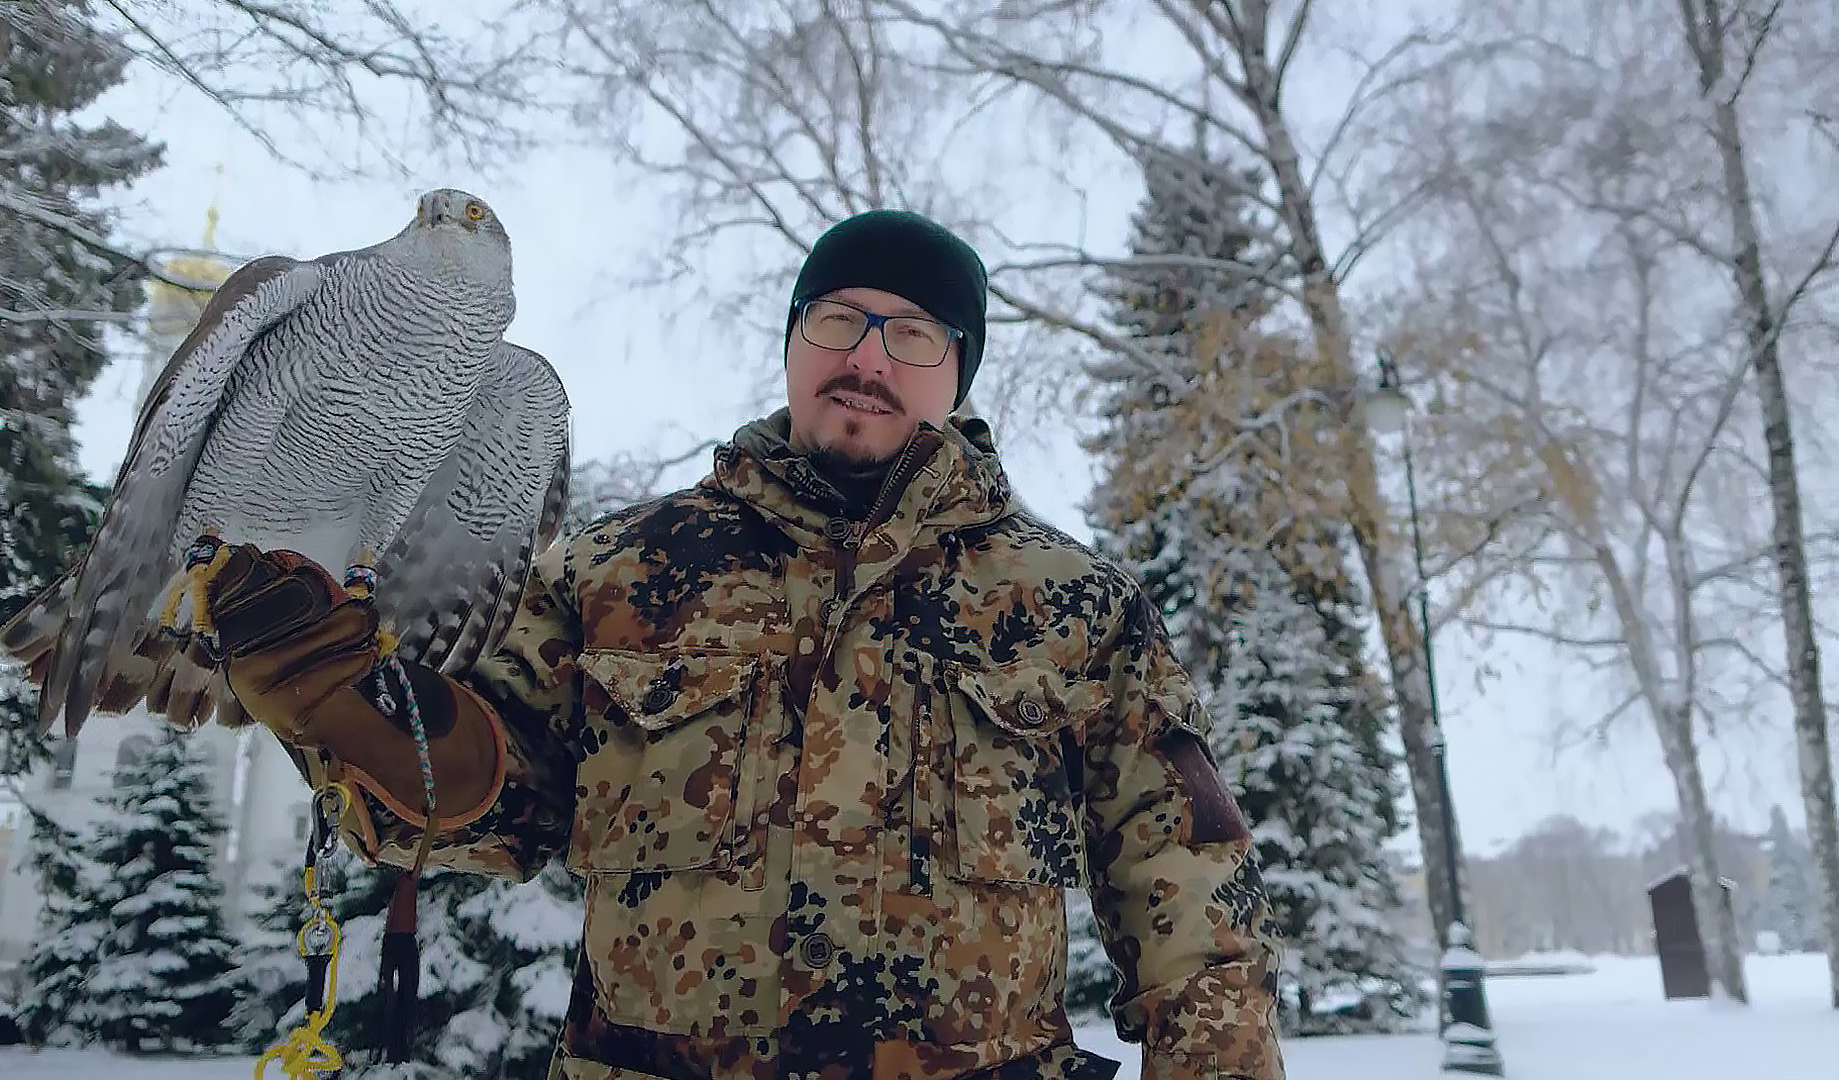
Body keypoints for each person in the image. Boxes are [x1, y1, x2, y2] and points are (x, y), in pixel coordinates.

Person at [201, 209, 1285, 1080]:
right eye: (837, 321)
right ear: (792, 343)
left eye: (912, 333)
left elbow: (1188, 895)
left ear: (958, 378)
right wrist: (345, 709)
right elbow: (477, 805)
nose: (867, 356)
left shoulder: (1077, 608)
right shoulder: (612, 573)